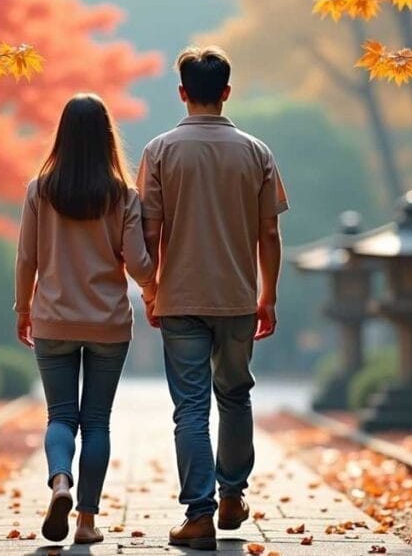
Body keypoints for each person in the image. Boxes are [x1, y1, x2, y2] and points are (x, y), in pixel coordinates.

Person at [137, 46, 288, 551]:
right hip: (238, 297)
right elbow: (270, 233)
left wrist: (152, 289)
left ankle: (198, 513)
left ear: (182, 93)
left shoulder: (159, 151)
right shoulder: (256, 152)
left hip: (180, 297)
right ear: (226, 92)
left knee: (191, 408)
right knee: (235, 394)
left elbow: (150, 233)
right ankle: (232, 493)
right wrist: (268, 295)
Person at [14, 93, 157, 545]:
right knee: (97, 422)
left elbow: (26, 259)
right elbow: (137, 265)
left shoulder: (40, 189)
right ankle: (87, 521)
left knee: (60, 417)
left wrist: (23, 310)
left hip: (53, 319)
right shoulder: (123, 196)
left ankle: (60, 481)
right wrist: (155, 282)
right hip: (108, 324)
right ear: (107, 137)